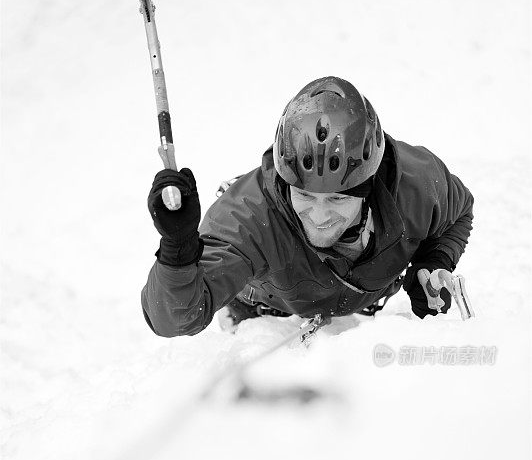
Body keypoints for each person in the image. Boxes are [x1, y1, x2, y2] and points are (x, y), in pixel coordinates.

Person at [141, 76, 473, 337]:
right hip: (267, 316)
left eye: (339, 198)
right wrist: (178, 250)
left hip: (363, 308)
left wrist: (433, 262)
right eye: (305, 196)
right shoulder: (248, 216)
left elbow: (459, 212)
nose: (319, 215)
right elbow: (175, 318)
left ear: (370, 188)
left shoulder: (418, 184)